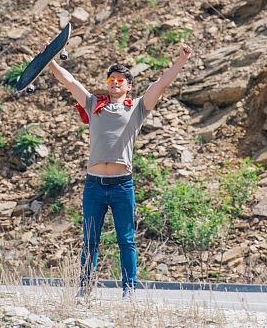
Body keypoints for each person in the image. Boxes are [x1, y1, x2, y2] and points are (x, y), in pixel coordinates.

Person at [46, 43, 193, 298]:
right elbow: (69, 81)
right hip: (93, 185)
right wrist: (49, 61)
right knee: (90, 240)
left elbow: (160, 84)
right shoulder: (93, 103)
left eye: (120, 80)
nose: (114, 83)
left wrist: (180, 62)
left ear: (128, 86)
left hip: (122, 185)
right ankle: (85, 290)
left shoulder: (137, 107)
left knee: (126, 240)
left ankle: (129, 290)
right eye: (111, 79)